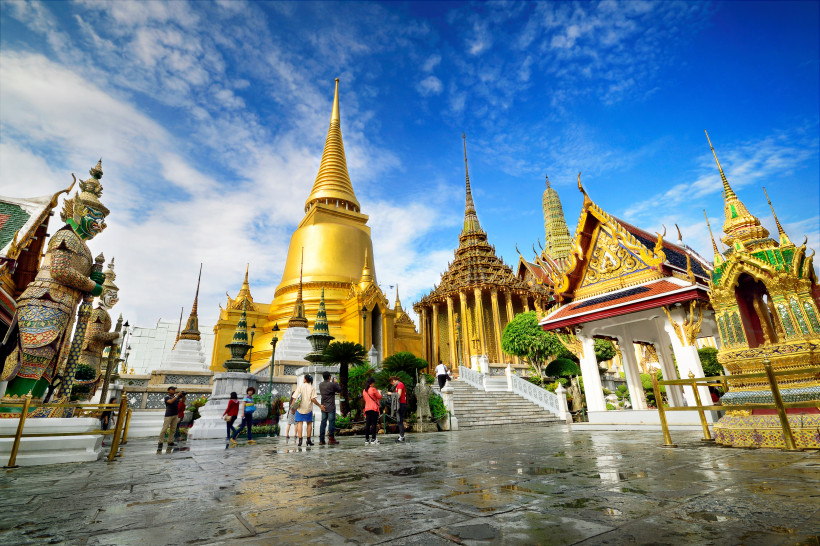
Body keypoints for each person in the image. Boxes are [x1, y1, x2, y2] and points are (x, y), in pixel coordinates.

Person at [292, 375, 324, 447]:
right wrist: (319, 405)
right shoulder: (311, 388)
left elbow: (295, 397)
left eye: (304, 378)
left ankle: (300, 441)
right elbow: (313, 399)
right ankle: (308, 440)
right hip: (308, 408)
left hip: (299, 408)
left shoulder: (300, 386)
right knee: (309, 424)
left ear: (305, 380)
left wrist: (292, 406)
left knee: (300, 423)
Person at [318, 371, 342, 445]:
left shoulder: (320, 385)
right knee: (331, 422)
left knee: (323, 423)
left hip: (323, 406)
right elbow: (339, 390)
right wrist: (335, 382)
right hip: (331, 406)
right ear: (329, 377)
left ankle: (321, 440)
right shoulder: (332, 384)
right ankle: (331, 439)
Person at [158, 386, 184, 451]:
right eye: (172, 389)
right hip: (168, 415)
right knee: (164, 429)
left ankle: (170, 442)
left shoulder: (176, 397)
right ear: (168, 390)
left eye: (174, 389)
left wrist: (183, 395)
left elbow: (182, 401)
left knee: (173, 429)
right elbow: (170, 402)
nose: (174, 391)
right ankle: (160, 442)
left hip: (175, 415)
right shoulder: (167, 397)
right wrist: (177, 396)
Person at [362, 377, 382, 445]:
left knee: (367, 424)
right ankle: (373, 439)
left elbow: (365, 399)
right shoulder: (373, 389)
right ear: (372, 383)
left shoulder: (364, 390)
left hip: (367, 408)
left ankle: (367, 439)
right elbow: (379, 397)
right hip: (374, 408)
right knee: (374, 424)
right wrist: (379, 392)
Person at [389, 376, 406, 443]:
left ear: (393, 380)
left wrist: (391, 394)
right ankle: (401, 435)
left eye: (391, 383)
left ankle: (402, 436)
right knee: (399, 420)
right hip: (399, 404)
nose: (392, 384)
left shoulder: (400, 384)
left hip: (401, 404)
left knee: (400, 420)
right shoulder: (398, 385)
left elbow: (398, 395)